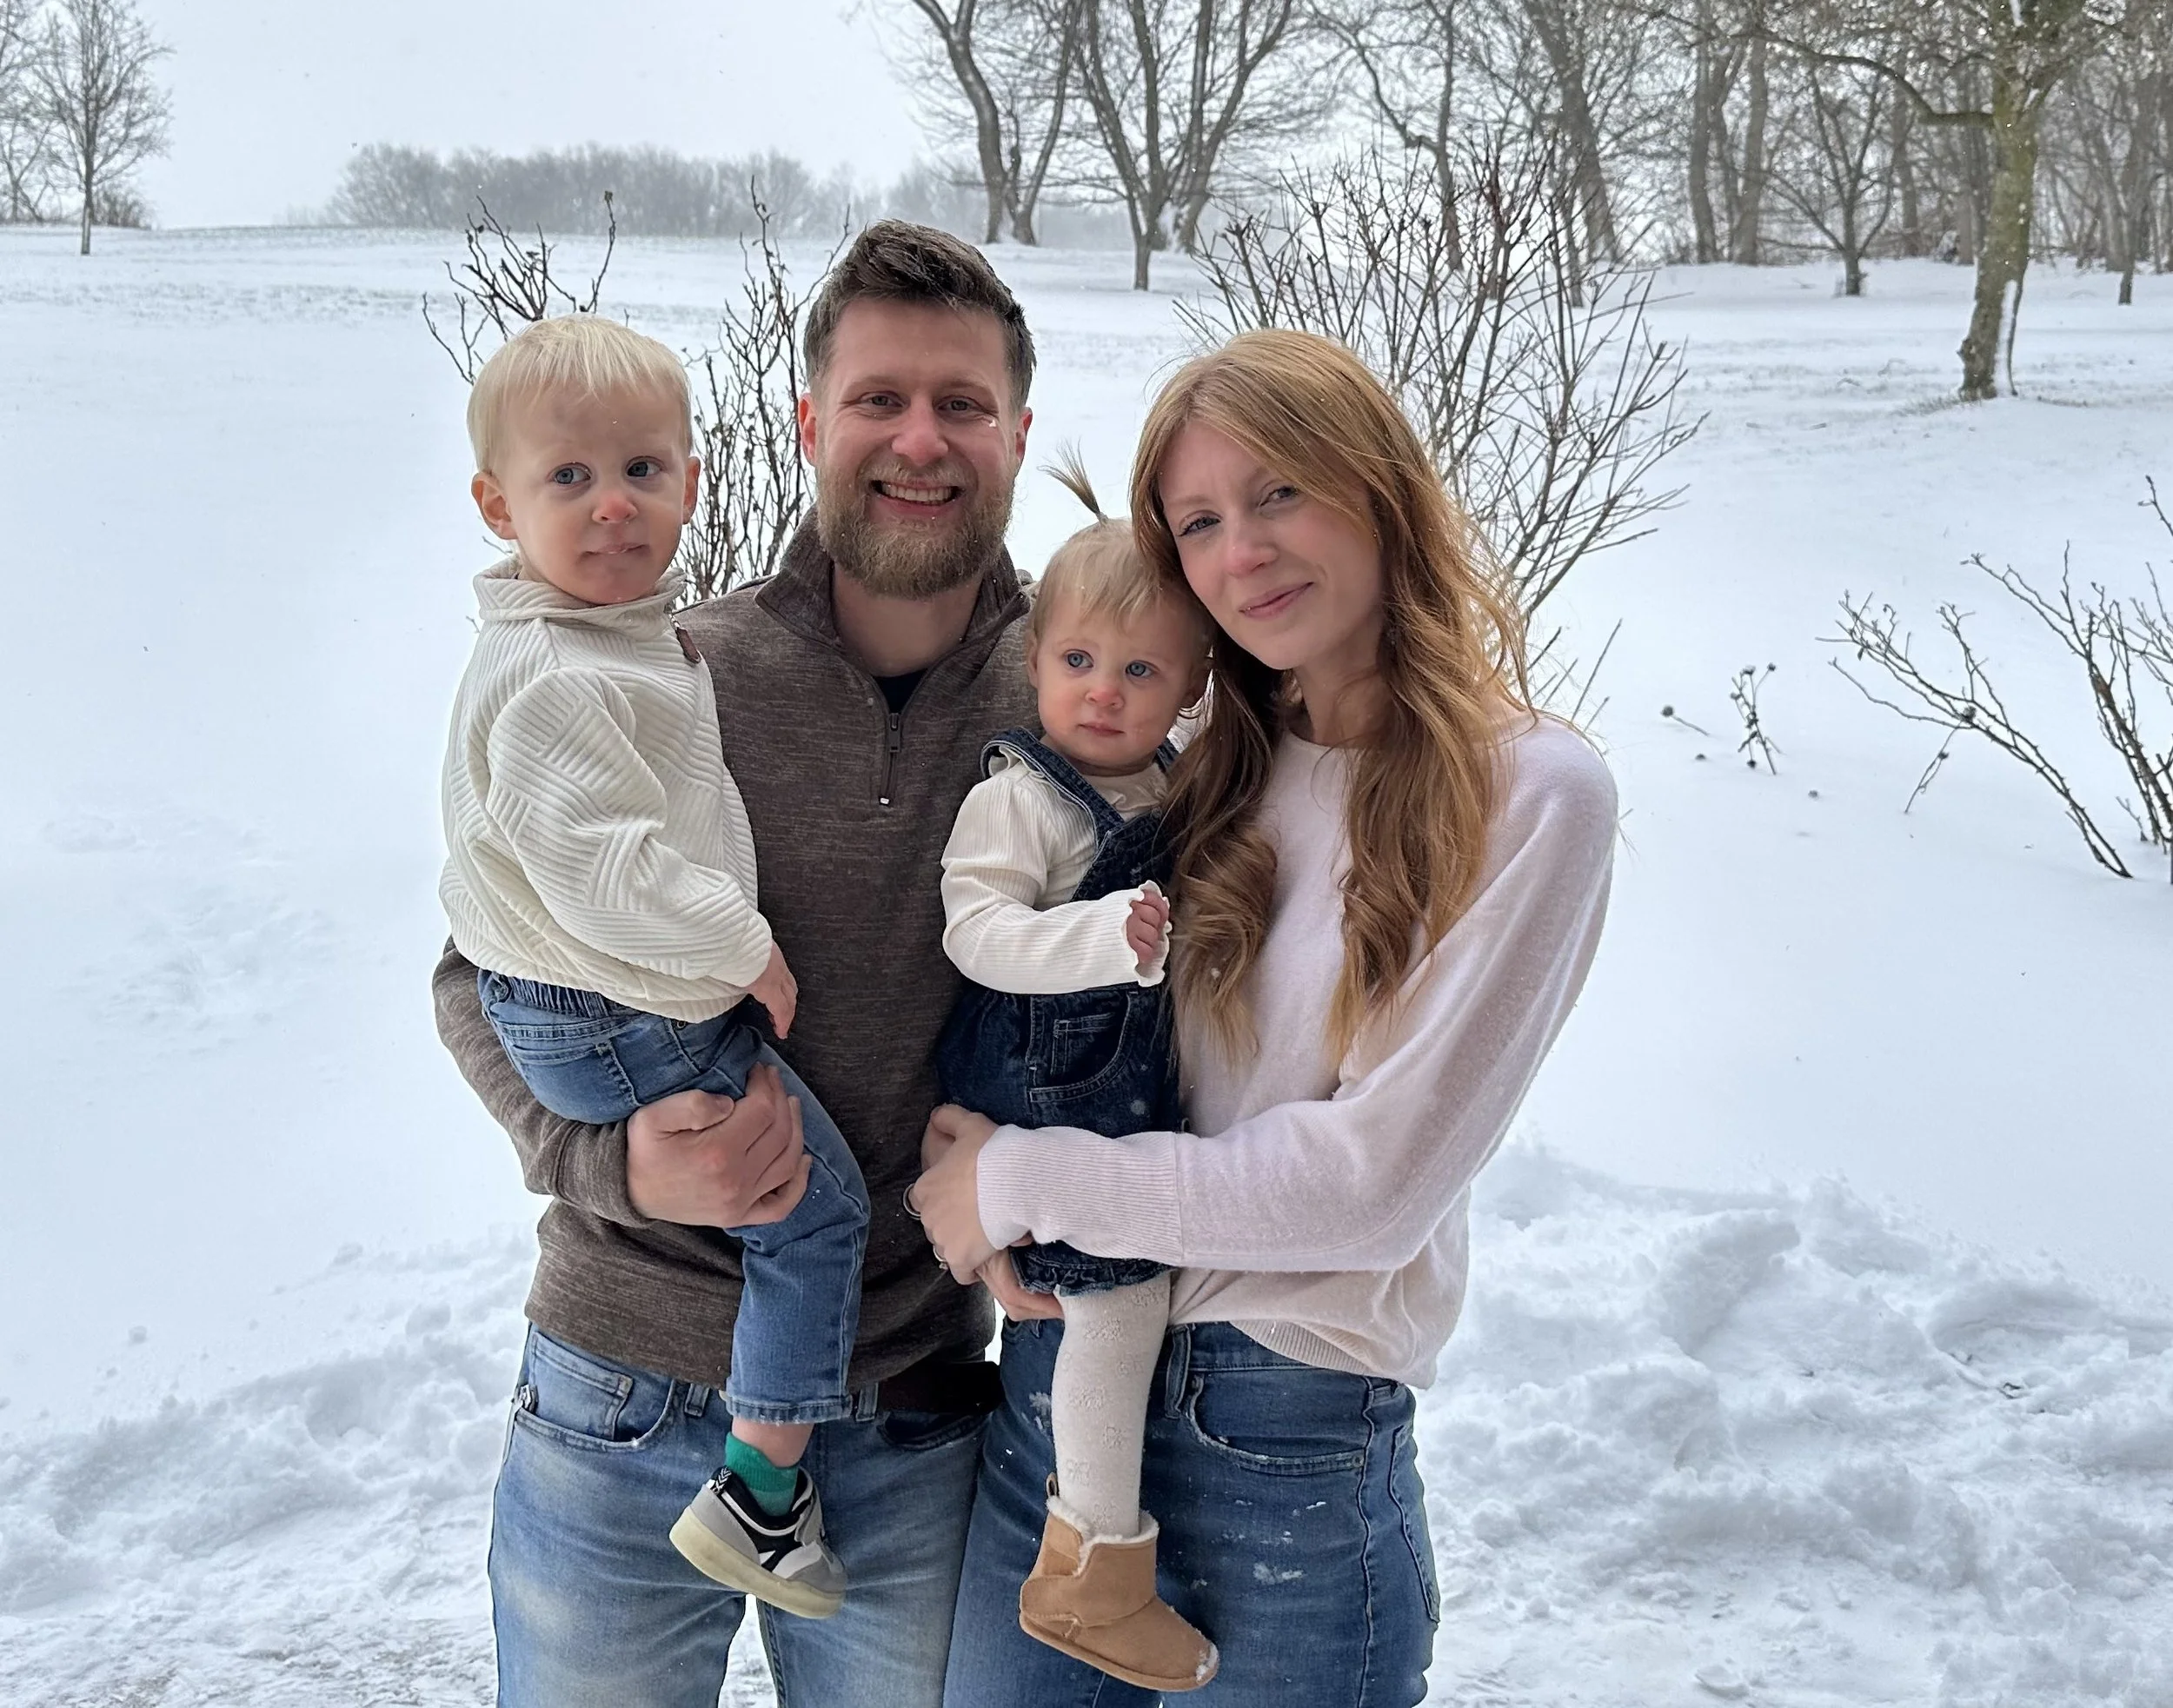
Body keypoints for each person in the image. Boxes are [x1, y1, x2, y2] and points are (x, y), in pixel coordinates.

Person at [916, 328, 1619, 1706]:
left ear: (1378, 484)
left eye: (1279, 491)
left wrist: (1018, 1181)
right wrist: (993, 1181)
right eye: (1198, 523)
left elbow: (1366, 1192)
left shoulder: (1530, 796)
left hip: (1281, 1440)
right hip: (1061, 1404)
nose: (1242, 551)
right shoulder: (1197, 773)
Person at [431, 221, 1040, 1707]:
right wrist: (613, 1165)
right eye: (880, 399)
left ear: (1020, 435)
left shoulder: (1084, 702)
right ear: (809, 424)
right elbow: (479, 975)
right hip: (619, 1399)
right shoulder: (664, 670)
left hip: (909, 1416)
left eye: (962, 404)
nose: (920, 440)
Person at [440, 312, 869, 1618]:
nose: (613, 505)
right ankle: (761, 1495)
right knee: (817, 1209)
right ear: (498, 505)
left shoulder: (619, 643)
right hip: (613, 1033)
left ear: (692, 476)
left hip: (604, 1013)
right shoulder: (563, 672)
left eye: (640, 470)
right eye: (569, 477)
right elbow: (593, 876)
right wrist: (743, 948)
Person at [931, 461, 1217, 1692]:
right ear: (1036, 660)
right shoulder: (1021, 799)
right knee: (1117, 1300)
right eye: (1080, 661)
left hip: (1118, 1096)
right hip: (1046, 1088)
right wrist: (1099, 939)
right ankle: (1093, 1574)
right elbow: (974, 931)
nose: (1104, 692)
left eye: (1142, 671)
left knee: (1134, 1294)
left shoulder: (1167, 785)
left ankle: (1097, 1562)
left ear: (1192, 688)